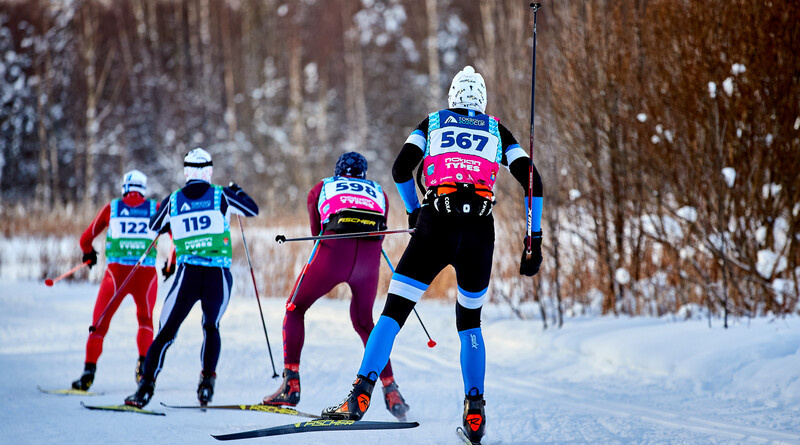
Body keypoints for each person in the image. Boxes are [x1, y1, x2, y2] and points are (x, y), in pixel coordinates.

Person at [321, 66, 543, 444]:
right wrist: (532, 239)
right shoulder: (497, 130)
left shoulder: (433, 123)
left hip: (436, 223)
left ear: (453, 96)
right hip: (478, 232)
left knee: (393, 314)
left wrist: (413, 211)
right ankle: (475, 412)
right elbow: (533, 179)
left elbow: (400, 167)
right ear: (483, 99)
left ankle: (360, 395)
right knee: (470, 323)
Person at [261, 152, 410, 420]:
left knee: (295, 308)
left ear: (337, 171)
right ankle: (392, 390)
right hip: (367, 261)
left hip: (332, 253)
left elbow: (316, 232)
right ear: (364, 173)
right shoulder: (379, 192)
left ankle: (290, 385)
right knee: (366, 323)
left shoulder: (322, 187)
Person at [124, 148, 259, 408]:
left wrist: (171, 223)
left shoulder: (174, 200)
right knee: (211, 327)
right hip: (217, 275)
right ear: (208, 171)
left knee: (165, 334)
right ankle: (207, 385)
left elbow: (154, 226)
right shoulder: (221, 195)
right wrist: (238, 192)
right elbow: (251, 210)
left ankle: (145, 388)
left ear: (186, 172)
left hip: (187, 276)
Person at [71, 169, 162, 391]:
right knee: (145, 321)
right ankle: (143, 370)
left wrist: (88, 253)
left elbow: (86, 238)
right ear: (143, 188)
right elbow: (175, 237)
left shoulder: (112, 208)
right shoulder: (155, 208)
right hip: (145, 275)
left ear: (125, 188)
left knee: (99, 324)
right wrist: (171, 263)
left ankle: (88, 372)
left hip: (116, 275)